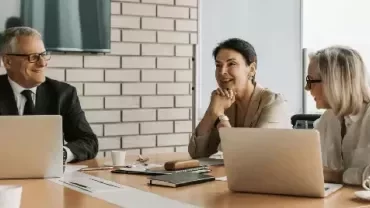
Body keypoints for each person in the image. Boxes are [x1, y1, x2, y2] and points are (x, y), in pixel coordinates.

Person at [0, 26, 98, 163]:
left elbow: (89, 142)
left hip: (48, 178)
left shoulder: (63, 93)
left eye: (44, 54)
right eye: (33, 57)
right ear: (8, 61)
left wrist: (61, 154)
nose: (42, 63)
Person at [188, 38, 291, 158]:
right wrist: (211, 112)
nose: (222, 72)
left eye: (231, 64)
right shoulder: (223, 102)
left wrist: (222, 118)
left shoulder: (273, 102)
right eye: (218, 65)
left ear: (251, 69)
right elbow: (197, 153)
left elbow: (252, 154)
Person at [307, 46, 370, 186]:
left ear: (335, 82)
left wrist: (338, 176)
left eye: (311, 81)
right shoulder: (326, 120)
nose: (307, 88)